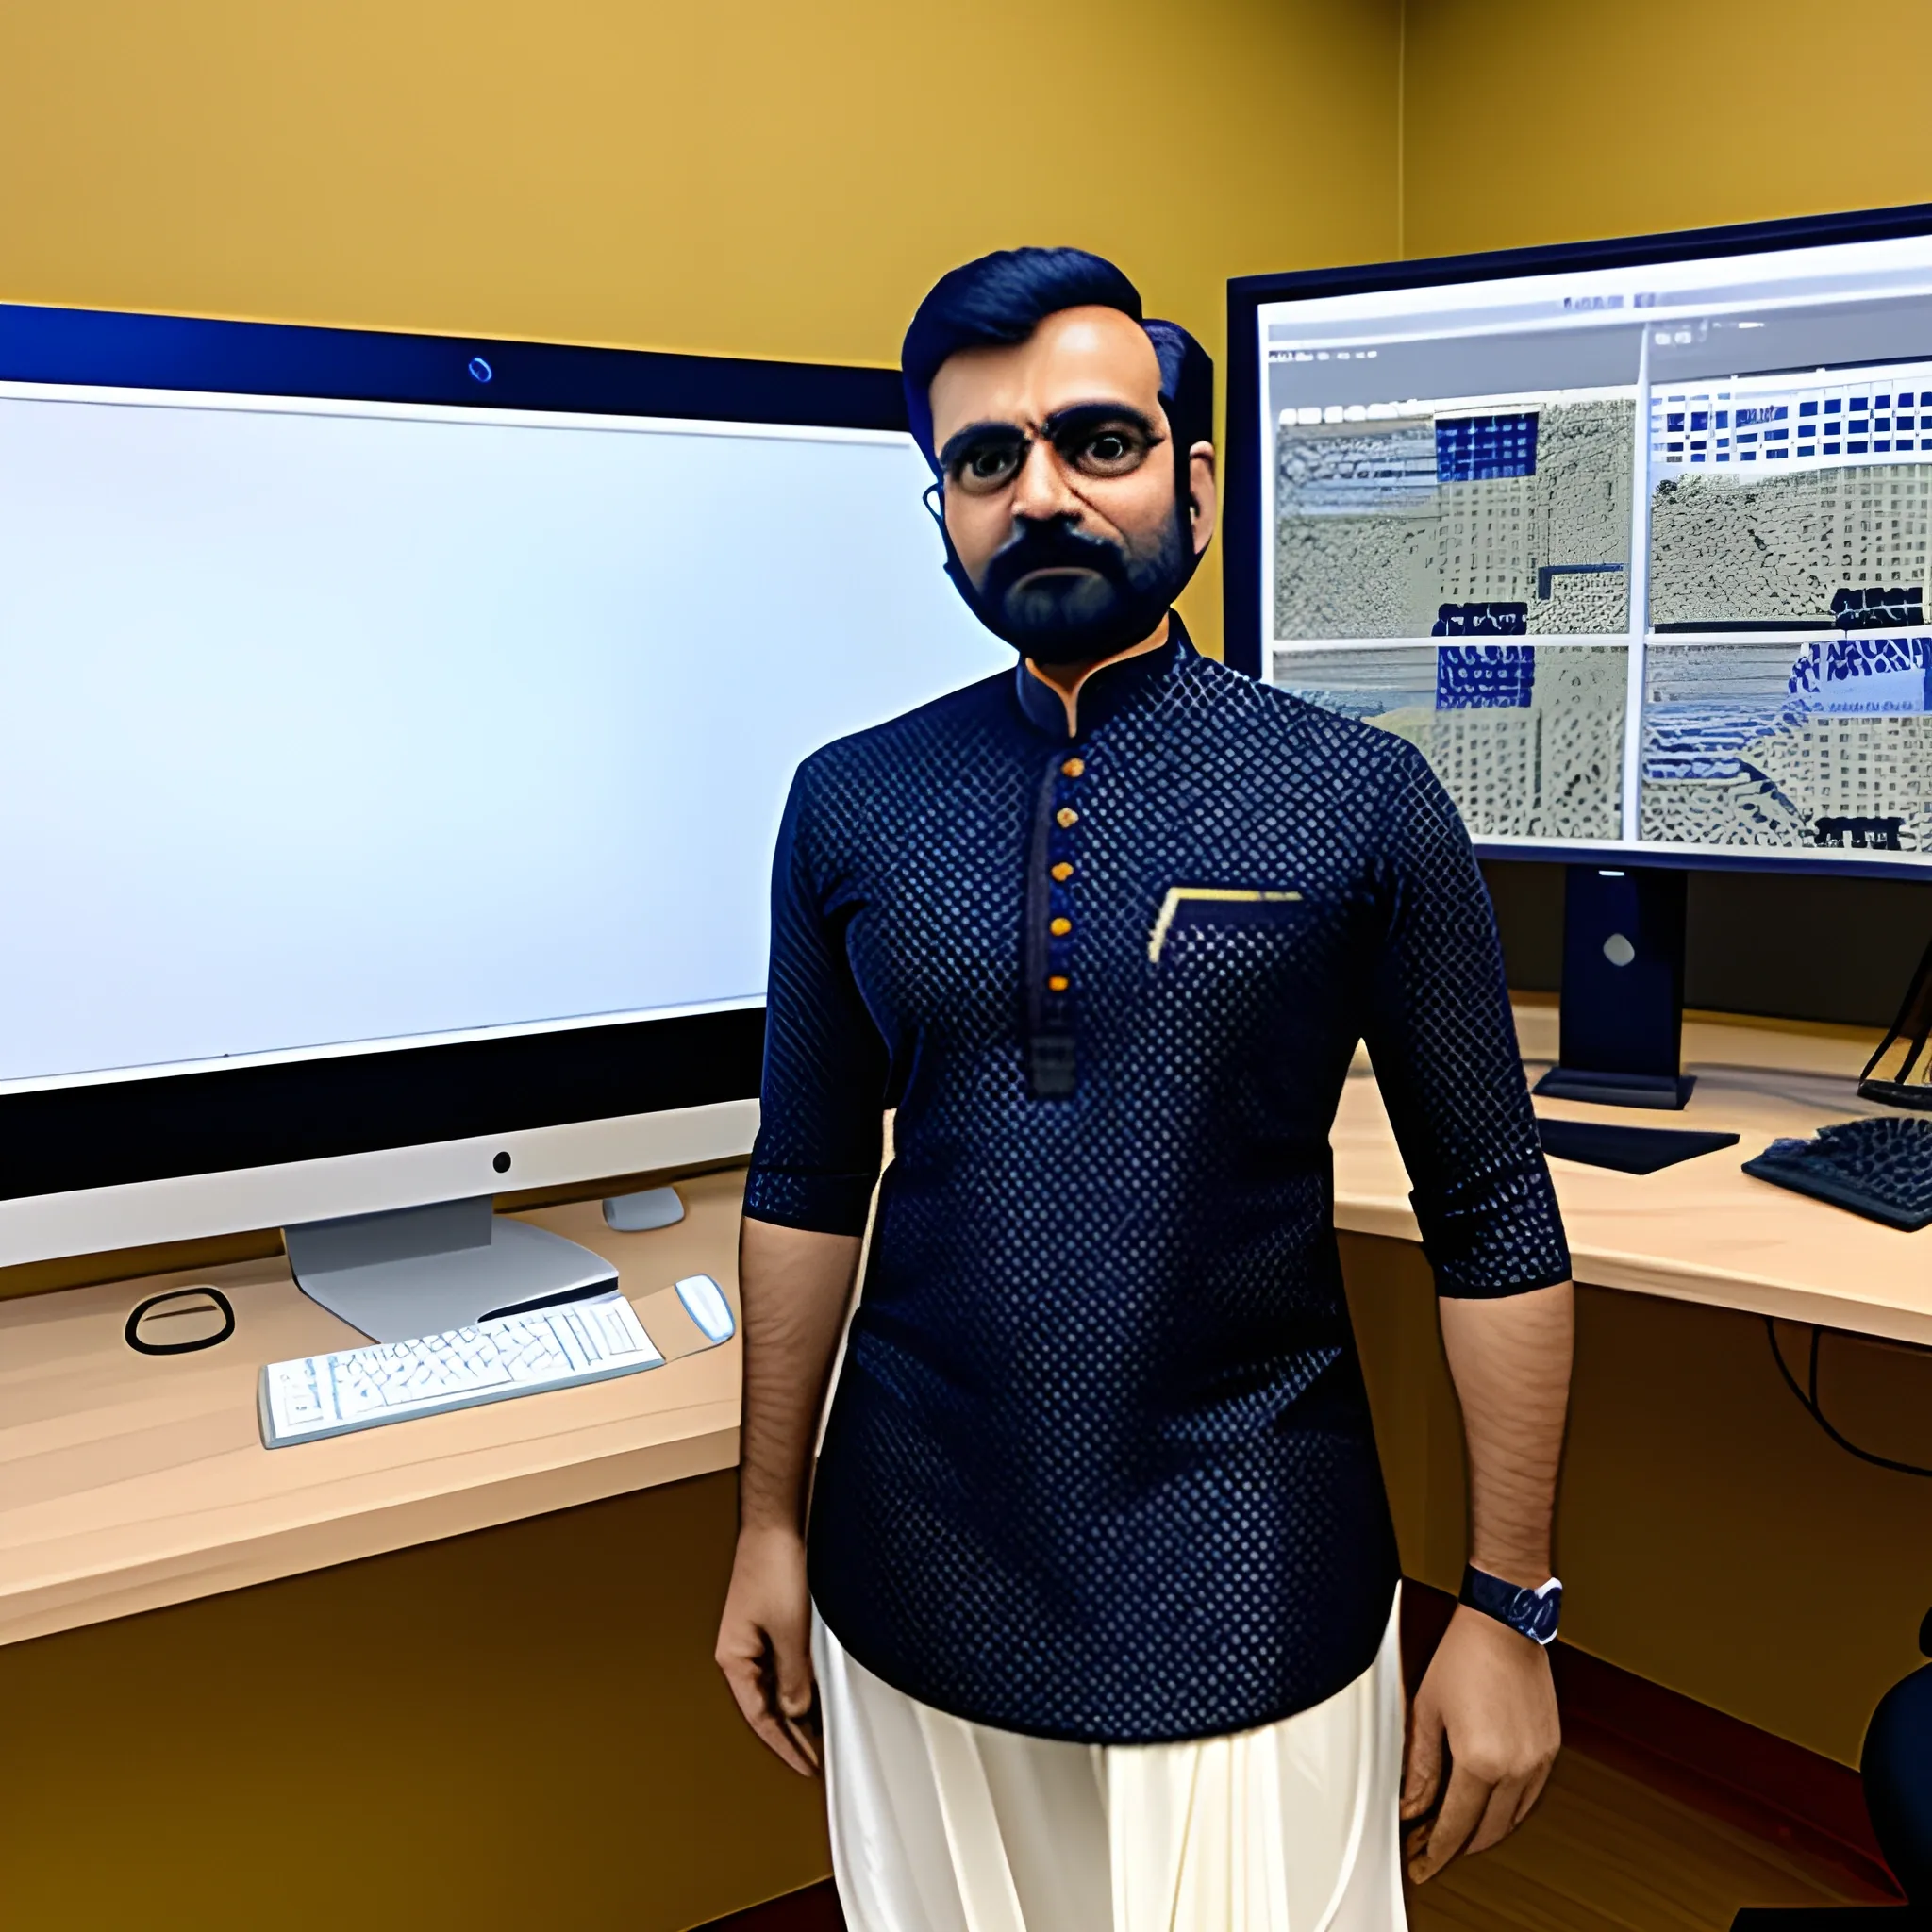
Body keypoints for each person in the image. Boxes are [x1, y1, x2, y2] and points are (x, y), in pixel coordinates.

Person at [715, 245, 1575, 1931]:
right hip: (914, 1562)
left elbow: (1493, 1210)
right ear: (942, 510)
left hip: (1256, 1562)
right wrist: (765, 1522)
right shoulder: (847, 803)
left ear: (1191, 482)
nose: (1040, 493)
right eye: (985, 461)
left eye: (1097, 443)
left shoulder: (1361, 796)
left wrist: (1509, 1604)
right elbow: (806, 1179)